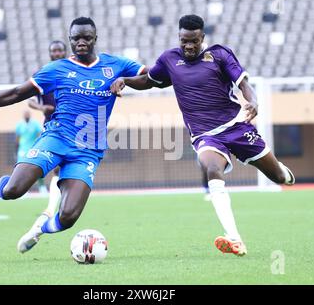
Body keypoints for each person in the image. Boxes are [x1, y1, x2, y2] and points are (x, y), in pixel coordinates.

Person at [0, 17, 147, 253]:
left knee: (68, 217)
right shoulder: (57, 69)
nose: (81, 42)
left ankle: (39, 229)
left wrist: (126, 80)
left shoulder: (115, 65)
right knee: (15, 190)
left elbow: (150, 78)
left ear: (95, 38)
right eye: (76, 38)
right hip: (56, 138)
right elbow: (16, 93)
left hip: (87, 150)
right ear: (70, 40)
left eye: (86, 37)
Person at [110, 14, 295, 257]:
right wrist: (126, 80)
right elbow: (150, 81)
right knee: (211, 168)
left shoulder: (219, 55)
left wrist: (253, 101)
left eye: (193, 41)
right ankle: (234, 238)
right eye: (184, 40)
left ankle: (283, 171)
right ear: (179, 37)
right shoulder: (169, 59)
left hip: (237, 127)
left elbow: (244, 84)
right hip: (205, 136)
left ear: (202, 38)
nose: (188, 46)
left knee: (278, 177)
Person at [27, 40, 67, 215]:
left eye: (60, 51)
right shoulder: (43, 74)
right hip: (50, 127)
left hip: (70, 127)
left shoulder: (72, 72)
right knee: (44, 166)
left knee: (63, 168)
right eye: (54, 51)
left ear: (65, 52)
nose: (57, 53)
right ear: (50, 54)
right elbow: (29, 100)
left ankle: (53, 207)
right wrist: (42, 108)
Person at [15, 110, 46, 193]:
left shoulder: (35, 124)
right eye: (25, 114)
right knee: (21, 170)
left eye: (28, 114)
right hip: (22, 150)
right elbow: (17, 139)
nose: (26, 115)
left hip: (33, 150)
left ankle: (42, 188)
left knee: (37, 167)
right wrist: (16, 151)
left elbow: (40, 134)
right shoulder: (19, 125)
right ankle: (23, 190)